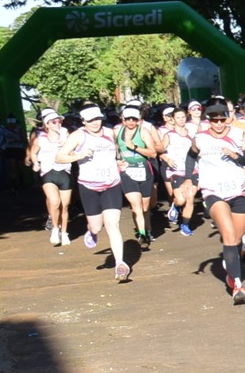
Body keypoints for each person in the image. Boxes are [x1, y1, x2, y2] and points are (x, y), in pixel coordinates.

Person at [192, 97, 245, 304]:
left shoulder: (239, 135)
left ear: (228, 118)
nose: (220, 124)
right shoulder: (200, 138)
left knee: (238, 239)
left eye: (223, 119)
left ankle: (230, 269)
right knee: (229, 236)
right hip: (213, 192)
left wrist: (237, 156)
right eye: (215, 120)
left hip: (239, 192)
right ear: (209, 120)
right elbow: (190, 156)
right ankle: (238, 285)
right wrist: (189, 180)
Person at [59, 105, 133, 282]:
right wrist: (79, 156)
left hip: (111, 184)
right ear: (83, 121)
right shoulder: (78, 135)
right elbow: (60, 157)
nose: (95, 123)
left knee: (112, 225)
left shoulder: (110, 132)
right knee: (96, 227)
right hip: (89, 186)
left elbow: (116, 153)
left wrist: (120, 163)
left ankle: (120, 264)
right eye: (90, 120)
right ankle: (91, 231)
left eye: (97, 119)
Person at [114, 100, 163, 245]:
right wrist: (117, 160)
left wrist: (134, 147)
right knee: (135, 206)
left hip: (144, 170)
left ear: (138, 120)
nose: (130, 122)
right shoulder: (116, 131)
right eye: (127, 119)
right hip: (127, 172)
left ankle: (147, 231)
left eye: (133, 119)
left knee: (145, 207)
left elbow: (153, 153)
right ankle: (142, 234)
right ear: (122, 119)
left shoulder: (143, 132)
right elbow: (113, 149)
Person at [28, 109, 74, 245]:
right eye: (54, 122)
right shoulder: (40, 138)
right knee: (54, 202)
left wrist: (67, 145)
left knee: (65, 206)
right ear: (47, 124)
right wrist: (35, 163)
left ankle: (64, 232)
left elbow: (74, 150)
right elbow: (33, 152)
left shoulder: (66, 135)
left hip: (64, 172)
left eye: (59, 121)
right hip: (48, 172)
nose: (57, 123)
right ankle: (55, 228)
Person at [160, 105, 198, 236]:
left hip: (192, 170)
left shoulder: (192, 133)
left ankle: (185, 225)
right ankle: (175, 206)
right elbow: (159, 151)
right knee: (181, 199)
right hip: (176, 170)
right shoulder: (168, 135)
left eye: (183, 117)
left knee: (190, 197)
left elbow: (198, 151)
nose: (181, 120)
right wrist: (167, 159)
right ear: (173, 119)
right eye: (178, 117)